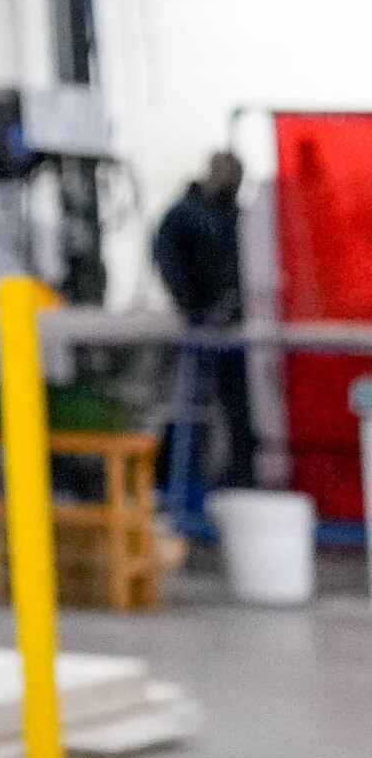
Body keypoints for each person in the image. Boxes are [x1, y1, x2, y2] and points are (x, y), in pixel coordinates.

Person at [152, 149, 256, 498]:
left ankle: (241, 474)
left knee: (236, 405)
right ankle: (175, 477)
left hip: (230, 327)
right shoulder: (185, 216)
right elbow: (166, 258)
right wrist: (192, 306)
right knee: (188, 402)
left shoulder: (234, 216)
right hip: (198, 326)